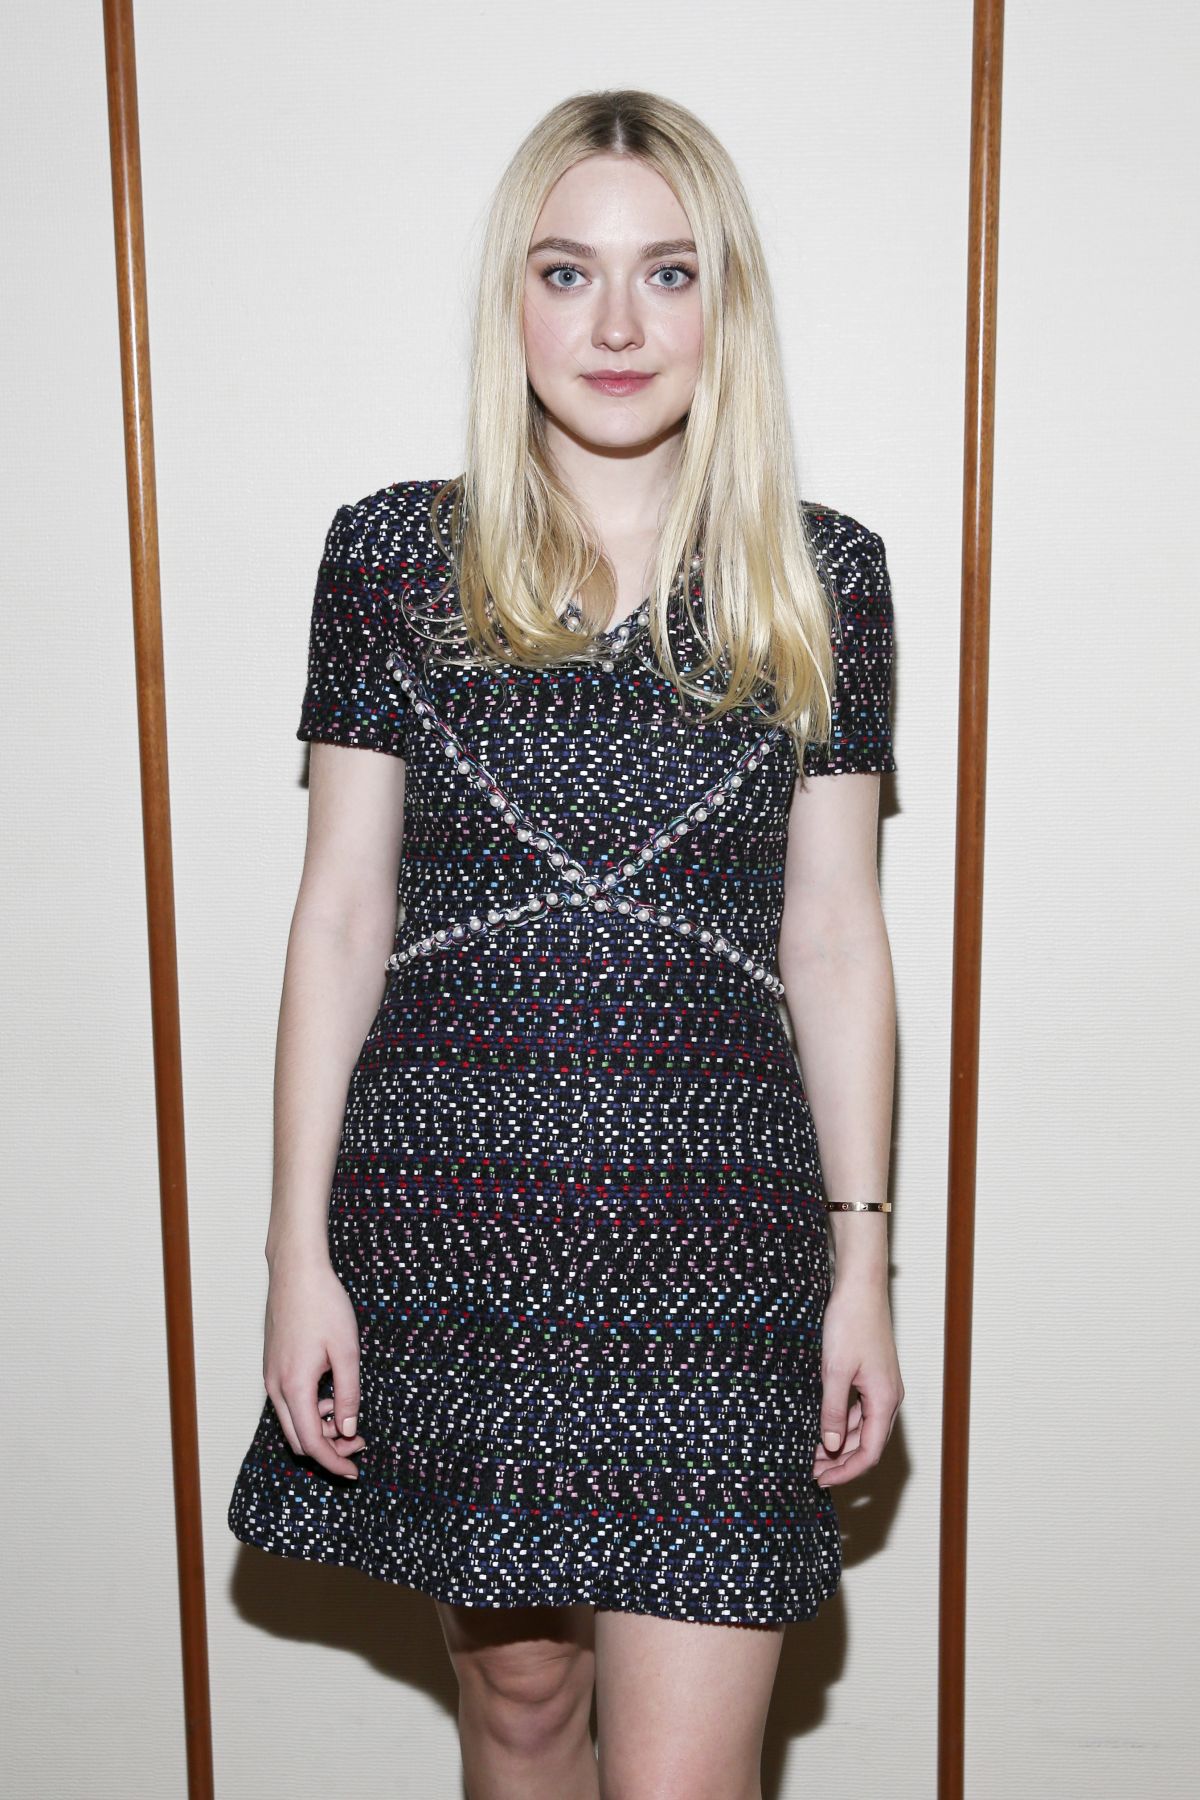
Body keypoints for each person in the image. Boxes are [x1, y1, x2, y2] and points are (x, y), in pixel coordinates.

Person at [228, 87, 904, 1798]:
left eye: (668, 274)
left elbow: (834, 937)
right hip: (454, 1232)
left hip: (720, 1251)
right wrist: (298, 1253)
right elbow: (341, 914)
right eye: (566, 272)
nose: (615, 325)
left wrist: (863, 1271)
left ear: (724, 304)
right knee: (521, 1713)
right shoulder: (394, 557)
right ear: (512, 300)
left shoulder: (824, 578)